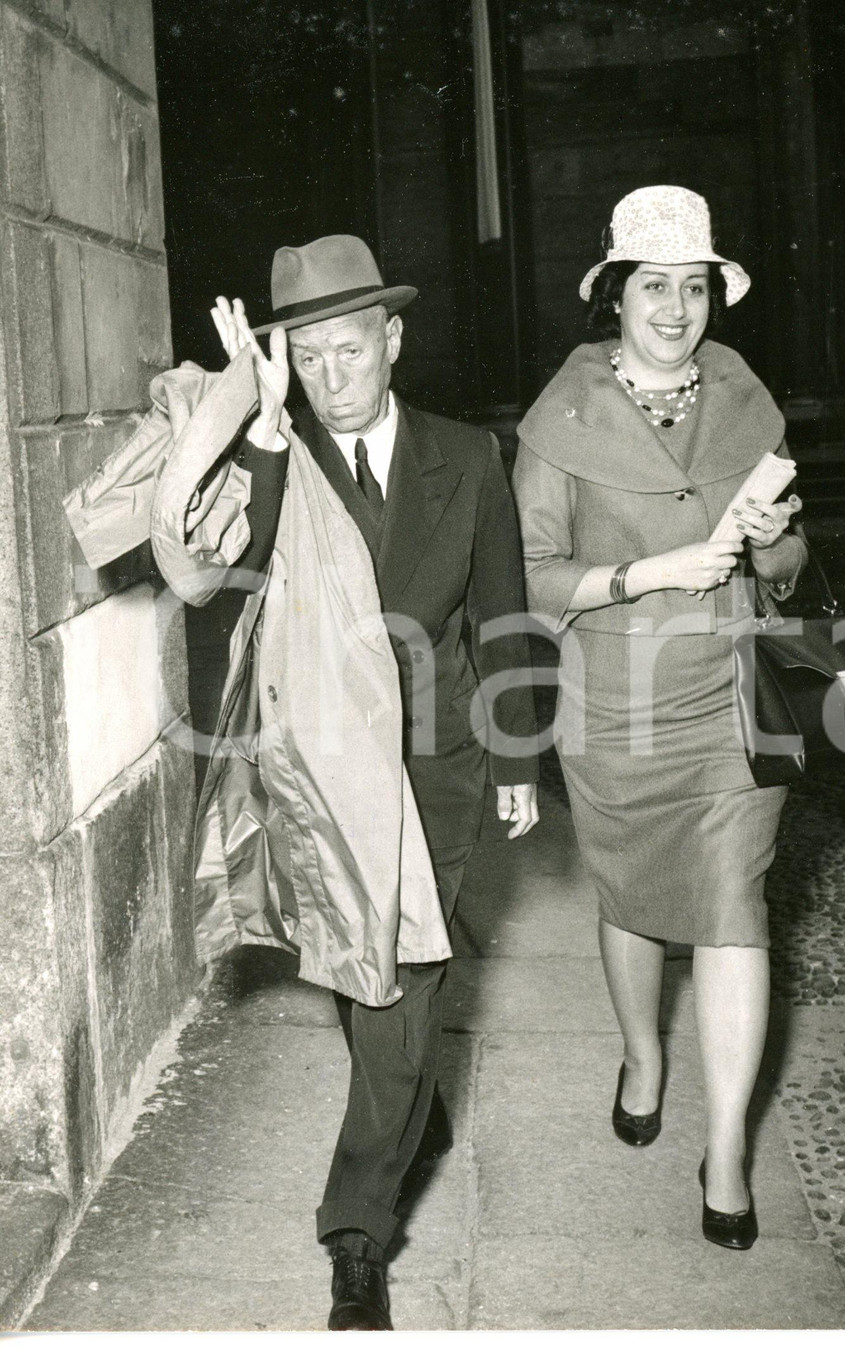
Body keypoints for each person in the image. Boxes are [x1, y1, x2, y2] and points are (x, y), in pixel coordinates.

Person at [210, 235, 539, 1329]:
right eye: (307, 359)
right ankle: (412, 1107)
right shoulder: (279, 463)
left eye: (349, 349)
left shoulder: (471, 457)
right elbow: (235, 569)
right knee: (368, 977)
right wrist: (260, 433)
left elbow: (499, 616)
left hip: (437, 766)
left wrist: (520, 757)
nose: (332, 378)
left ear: (392, 340)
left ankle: (356, 1229)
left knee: (398, 983)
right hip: (323, 778)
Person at [511, 186, 805, 1251]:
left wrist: (773, 537)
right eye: (653, 287)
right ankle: (643, 1052)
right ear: (616, 297)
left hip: (731, 695)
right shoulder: (560, 418)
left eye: (692, 287)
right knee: (632, 896)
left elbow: (787, 565)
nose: (675, 310)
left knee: (736, 907)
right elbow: (532, 579)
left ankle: (724, 1148)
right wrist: (643, 571)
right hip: (618, 704)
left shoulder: (744, 397)